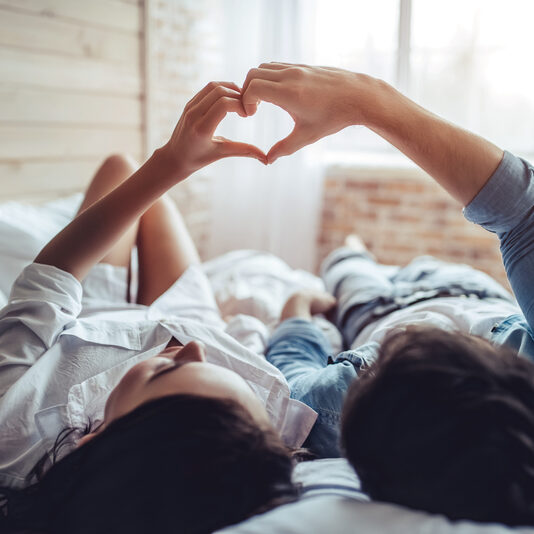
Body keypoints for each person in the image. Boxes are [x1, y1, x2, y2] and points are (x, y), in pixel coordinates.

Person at [0, 82, 317, 534]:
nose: (193, 352)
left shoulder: (16, 425)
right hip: (196, 317)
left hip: (97, 310)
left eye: (165, 371)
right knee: (126, 170)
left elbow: (47, 284)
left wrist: (169, 164)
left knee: (120, 167)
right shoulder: (244, 461)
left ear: (97, 439)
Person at [242, 63, 534, 525]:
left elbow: (291, 380)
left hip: (376, 310)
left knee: (347, 264)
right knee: (395, 265)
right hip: (470, 287)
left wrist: (297, 307)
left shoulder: (343, 407)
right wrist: (368, 98)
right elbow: (523, 210)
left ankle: (355, 252)